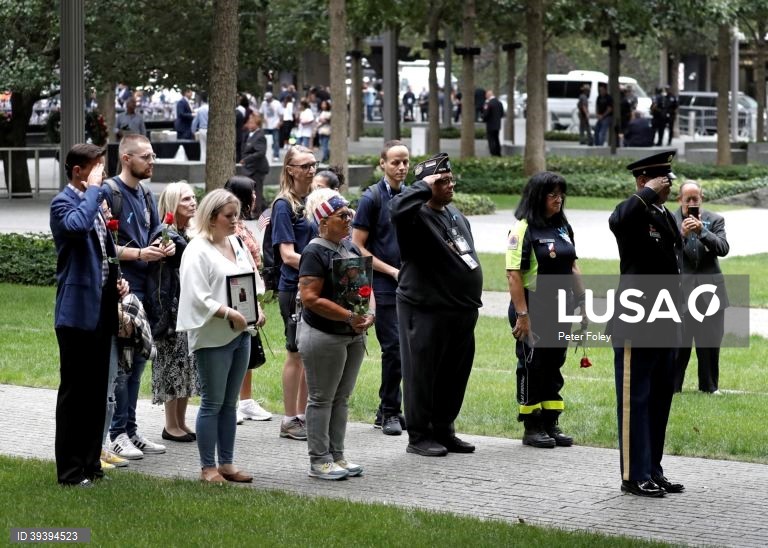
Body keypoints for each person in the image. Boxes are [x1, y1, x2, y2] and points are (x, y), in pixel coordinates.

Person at [390, 152, 483, 457]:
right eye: (441, 181)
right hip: (426, 309)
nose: (450, 184)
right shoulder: (414, 217)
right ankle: (419, 435)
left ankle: (444, 429)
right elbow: (396, 207)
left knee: (454, 376)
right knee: (422, 374)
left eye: (450, 178)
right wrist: (423, 187)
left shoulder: (454, 214)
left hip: (460, 310)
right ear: (427, 185)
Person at [50, 144, 128, 487]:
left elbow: (103, 250)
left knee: (97, 392)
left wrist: (116, 280)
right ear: (78, 171)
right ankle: (69, 471)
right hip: (76, 315)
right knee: (75, 395)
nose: (102, 174)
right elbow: (78, 227)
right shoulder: (64, 204)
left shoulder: (93, 204)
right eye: (96, 168)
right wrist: (95, 191)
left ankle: (90, 464)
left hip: (102, 311)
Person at [608, 150, 685, 498]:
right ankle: (632, 474)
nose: (668, 185)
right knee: (635, 400)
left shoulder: (663, 216)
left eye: (668, 179)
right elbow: (618, 218)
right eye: (661, 179)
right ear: (643, 180)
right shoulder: (633, 212)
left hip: (665, 318)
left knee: (658, 400)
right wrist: (645, 193)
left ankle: (653, 468)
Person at [177, 189, 264, 484]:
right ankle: (207, 467)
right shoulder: (196, 249)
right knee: (213, 403)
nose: (235, 221)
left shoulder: (236, 243)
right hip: (213, 336)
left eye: (236, 215)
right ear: (212, 217)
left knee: (230, 403)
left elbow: (250, 281)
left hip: (242, 334)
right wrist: (229, 313)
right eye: (229, 216)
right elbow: (196, 296)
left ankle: (226, 463)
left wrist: (256, 309)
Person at [297, 188, 375, 480]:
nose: (349, 220)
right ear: (323, 221)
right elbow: (310, 297)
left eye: (350, 215)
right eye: (342, 216)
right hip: (324, 335)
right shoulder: (315, 251)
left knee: (341, 398)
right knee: (321, 398)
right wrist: (349, 316)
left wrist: (370, 314)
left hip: (352, 334)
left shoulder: (350, 247)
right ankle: (319, 460)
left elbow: (366, 287)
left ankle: (337, 454)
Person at [105, 134, 175, 460]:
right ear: (126, 158)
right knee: (122, 366)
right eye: (145, 157)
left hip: (146, 292)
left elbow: (155, 236)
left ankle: (131, 429)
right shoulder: (110, 193)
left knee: (139, 363)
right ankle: (116, 432)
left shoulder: (147, 194)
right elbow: (102, 247)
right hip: (121, 292)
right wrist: (138, 254)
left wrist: (165, 246)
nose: (152, 162)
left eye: (153, 156)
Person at [506, 172, 585, 448]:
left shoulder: (563, 227)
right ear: (538, 197)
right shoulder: (523, 228)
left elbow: (573, 265)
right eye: (553, 195)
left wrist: (583, 303)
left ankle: (551, 422)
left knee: (554, 364)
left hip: (560, 307)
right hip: (532, 306)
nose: (559, 199)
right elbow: (514, 274)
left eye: (561, 194)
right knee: (532, 365)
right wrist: (522, 316)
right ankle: (532, 425)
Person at [351, 140, 409, 435]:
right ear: (382, 164)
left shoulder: (411, 197)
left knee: (409, 351)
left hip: (411, 286)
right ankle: (389, 412)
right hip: (384, 286)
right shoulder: (371, 198)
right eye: (395, 162)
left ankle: (389, 409)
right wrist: (392, 271)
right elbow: (357, 247)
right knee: (394, 349)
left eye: (405, 162)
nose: (401, 168)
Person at [145, 182, 200, 443]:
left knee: (186, 365)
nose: (192, 202)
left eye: (193, 197)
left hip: (185, 309)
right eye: (185, 199)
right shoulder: (165, 234)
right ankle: (170, 424)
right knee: (171, 365)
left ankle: (181, 421)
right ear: (172, 205)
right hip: (170, 311)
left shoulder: (183, 232)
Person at [272, 145, 317, 440]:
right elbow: (287, 255)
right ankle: (289, 419)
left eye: (313, 164)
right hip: (292, 286)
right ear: (290, 170)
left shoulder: (310, 201)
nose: (311, 169)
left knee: (307, 353)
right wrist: (321, 263)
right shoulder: (283, 206)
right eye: (304, 165)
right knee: (295, 352)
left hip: (311, 283)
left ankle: (302, 416)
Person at [223, 176, 273, 422]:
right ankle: (229, 402)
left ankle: (246, 401)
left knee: (249, 347)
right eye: (251, 193)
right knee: (234, 347)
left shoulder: (242, 224)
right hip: (237, 293)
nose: (254, 197)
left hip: (252, 289)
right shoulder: (230, 229)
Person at [672, 181, 730, 394]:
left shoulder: (715, 220)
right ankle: (673, 387)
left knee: (710, 343)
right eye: (688, 199)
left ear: (701, 198)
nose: (692, 203)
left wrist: (703, 231)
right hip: (681, 291)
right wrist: (682, 235)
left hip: (710, 292)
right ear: (680, 200)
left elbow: (723, 248)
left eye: (695, 198)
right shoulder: (670, 219)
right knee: (679, 344)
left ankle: (709, 387)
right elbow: (665, 252)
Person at [239, 111, 269, 217]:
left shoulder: (260, 136)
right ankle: (262, 208)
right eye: (249, 122)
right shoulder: (249, 134)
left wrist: (246, 159)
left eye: (252, 123)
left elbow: (260, 152)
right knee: (252, 190)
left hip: (257, 168)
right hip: (249, 168)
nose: (249, 125)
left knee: (257, 191)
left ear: (257, 124)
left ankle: (256, 212)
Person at [259, 91, 284, 161]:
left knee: (276, 141)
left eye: (268, 99)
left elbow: (281, 114)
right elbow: (260, 112)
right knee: (265, 141)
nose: (267, 100)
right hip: (266, 126)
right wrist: (263, 120)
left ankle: (276, 155)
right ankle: (266, 154)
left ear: (271, 98)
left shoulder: (277, 103)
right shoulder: (263, 103)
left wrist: (280, 123)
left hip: (274, 125)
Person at [482, 89, 505, 157]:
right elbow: (502, 113)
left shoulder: (489, 103)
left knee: (491, 139)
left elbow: (486, 114)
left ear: (488, 95)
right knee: (496, 138)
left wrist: (483, 119)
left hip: (490, 124)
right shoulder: (499, 103)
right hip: (497, 124)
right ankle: (498, 152)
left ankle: (493, 153)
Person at [191, 92, 209, 163]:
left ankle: (202, 164)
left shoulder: (200, 109)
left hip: (202, 130)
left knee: (203, 149)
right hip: (210, 130)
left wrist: (193, 131)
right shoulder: (211, 109)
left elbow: (195, 122)